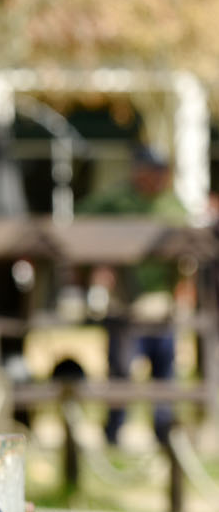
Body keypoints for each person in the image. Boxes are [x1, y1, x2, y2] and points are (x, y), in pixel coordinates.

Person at [78, 146, 188, 446]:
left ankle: (165, 432)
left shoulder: (171, 203)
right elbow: (79, 227)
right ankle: (115, 430)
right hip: (125, 301)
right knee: (121, 369)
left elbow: (190, 241)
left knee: (165, 366)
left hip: (161, 300)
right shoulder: (115, 200)